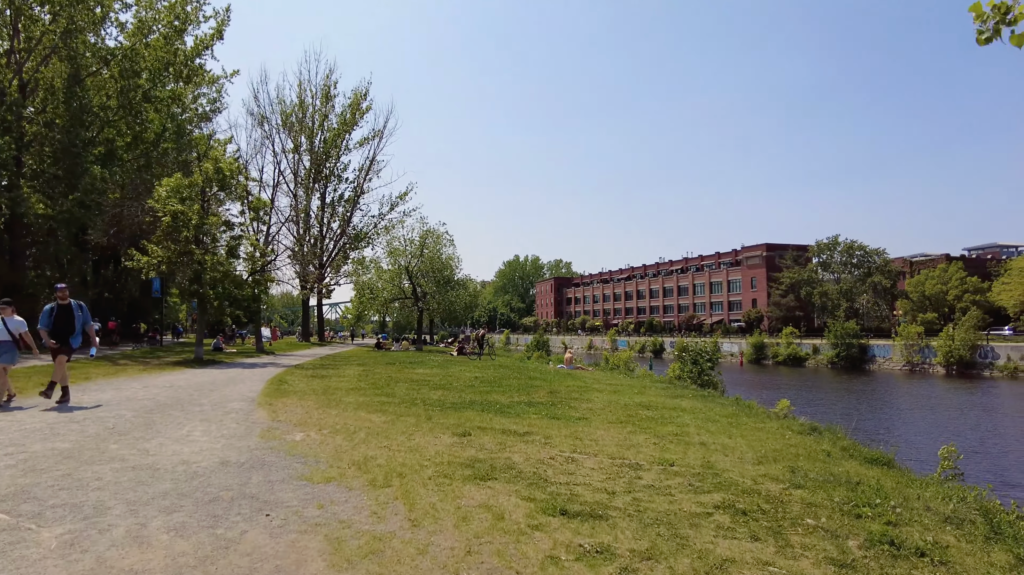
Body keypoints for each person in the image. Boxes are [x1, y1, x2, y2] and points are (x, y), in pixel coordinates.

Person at [37, 284, 99, 405]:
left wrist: (94, 340)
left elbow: (88, 324)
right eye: (60, 292)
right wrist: (48, 340)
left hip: (73, 340)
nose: (64, 293)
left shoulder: (80, 306)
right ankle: (65, 394)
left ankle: (50, 388)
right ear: (56, 294)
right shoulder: (49, 308)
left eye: (65, 291)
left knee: (60, 361)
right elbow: (42, 328)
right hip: (54, 341)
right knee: (61, 367)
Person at [1, 298, 40, 404]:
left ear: (11, 308)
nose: (2, 310)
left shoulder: (18, 320)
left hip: (10, 347)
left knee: (1, 372)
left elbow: (26, 335)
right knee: (2, 375)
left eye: (4, 308)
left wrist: (34, 348)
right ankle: (11, 393)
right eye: (0, 308)